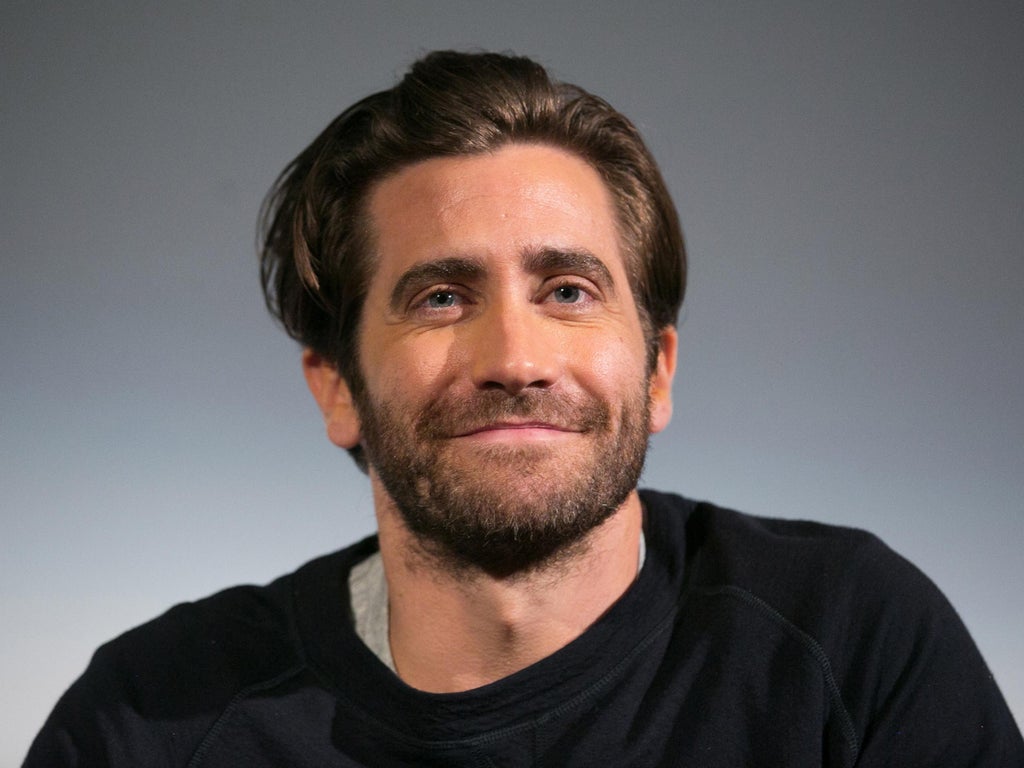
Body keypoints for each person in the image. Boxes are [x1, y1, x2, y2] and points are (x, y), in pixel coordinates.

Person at [25, 50, 1022, 767]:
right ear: (337, 388)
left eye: (569, 292)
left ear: (658, 372)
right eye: (440, 298)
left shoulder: (849, 642)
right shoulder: (149, 722)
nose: (514, 359)